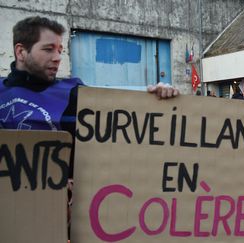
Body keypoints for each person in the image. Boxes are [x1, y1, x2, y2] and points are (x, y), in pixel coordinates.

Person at [0, 16, 179, 239]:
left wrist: (154, 97)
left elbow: (119, 108)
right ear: (20, 52)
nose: (57, 58)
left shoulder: (74, 91)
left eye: (59, 49)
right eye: (48, 49)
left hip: (63, 218)